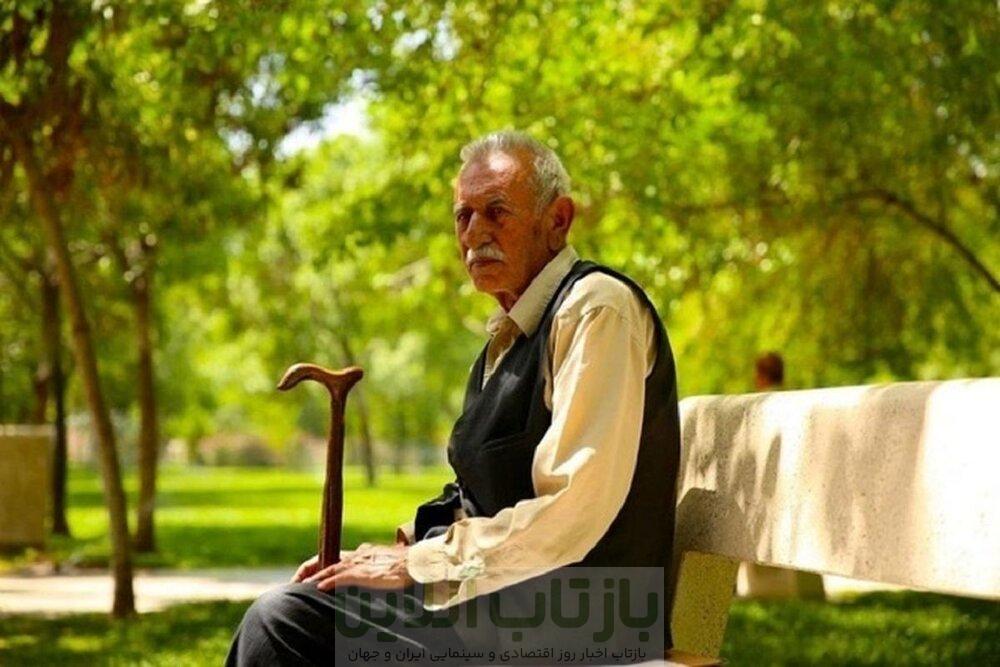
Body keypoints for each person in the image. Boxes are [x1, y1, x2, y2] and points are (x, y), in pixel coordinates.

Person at [226, 131, 682, 665]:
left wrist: (420, 565)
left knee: (284, 622)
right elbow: (482, 488)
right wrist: (400, 548)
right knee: (306, 604)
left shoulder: (596, 309)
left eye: (497, 212)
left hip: (587, 622)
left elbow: (573, 509)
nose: (474, 233)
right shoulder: (510, 337)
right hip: (510, 609)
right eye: (463, 216)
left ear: (558, 220)